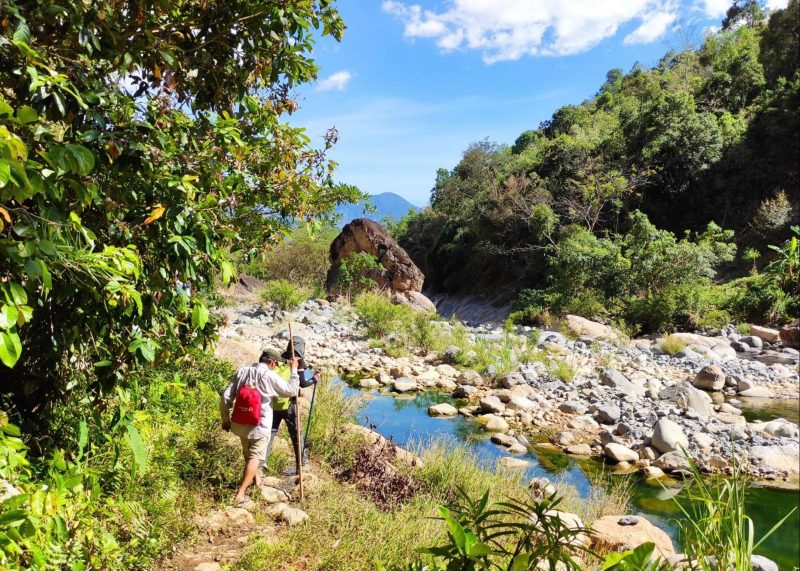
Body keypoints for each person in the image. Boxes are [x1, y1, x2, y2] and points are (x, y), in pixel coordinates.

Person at [220, 350, 299, 508]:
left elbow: (225, 396)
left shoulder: (242, 371)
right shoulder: (269, 375)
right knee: (255, 457)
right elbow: (291, 391)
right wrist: (294, 371)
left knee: (248, 454)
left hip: (239, 422)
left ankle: (256, 482)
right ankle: (240, 494)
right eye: (275, 365)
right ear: (272, 363)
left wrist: (225, 419)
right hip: (259, 426)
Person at [263, 336, 320, 469]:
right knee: (296, 434)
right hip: (289, 404)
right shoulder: (298, 361)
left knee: (271, 432)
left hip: (274, 402)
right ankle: (301, 461)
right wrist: (314, 378)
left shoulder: (280, 358)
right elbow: (303, 383)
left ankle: (262, 462)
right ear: (301, 347)